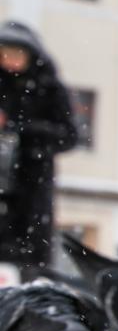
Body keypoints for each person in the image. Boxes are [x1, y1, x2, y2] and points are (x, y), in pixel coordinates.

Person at [0, 22, 77, 281]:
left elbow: (69, 136)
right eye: (5, 52)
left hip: (31, 193)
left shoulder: (49, 90)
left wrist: (18, 128)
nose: (9, 60)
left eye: (16, 53)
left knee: (30, 270)